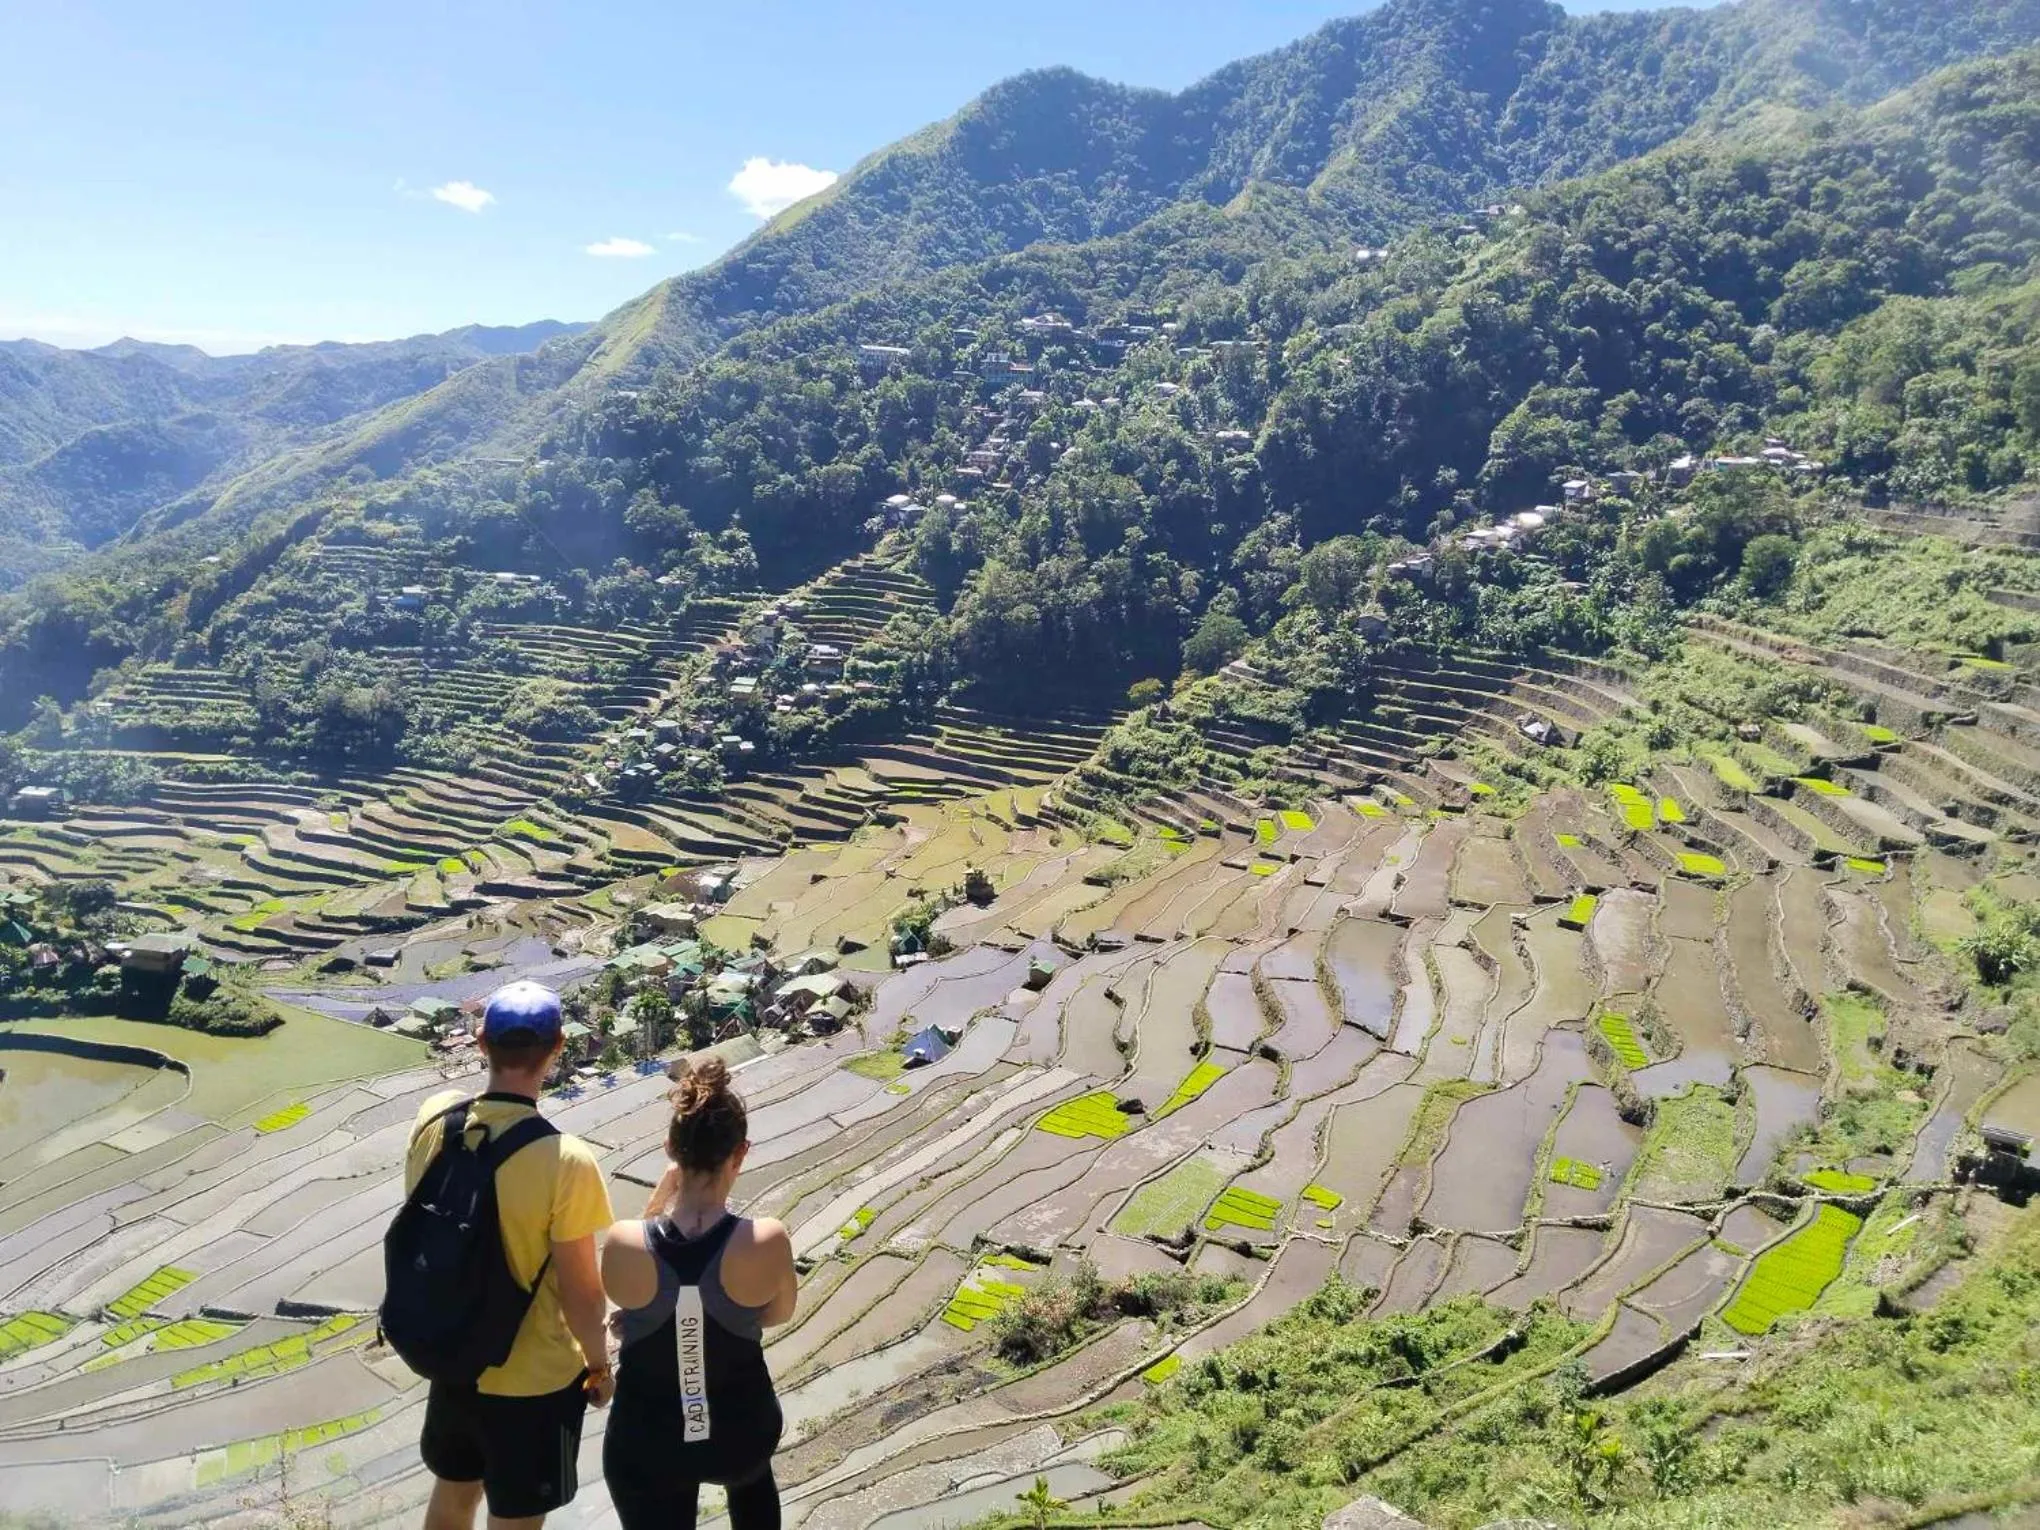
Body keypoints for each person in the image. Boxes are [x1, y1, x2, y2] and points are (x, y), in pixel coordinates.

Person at [405, 982, 616, 1530]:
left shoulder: (434, 1121)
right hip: (532, 1380)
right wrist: (598, 1365)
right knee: (517, 1519)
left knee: (452, 1496)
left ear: (480, 1043)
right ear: (559, 1046)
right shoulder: (566, 1160)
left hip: (453, 1360)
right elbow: (582, 1292)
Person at [599, 1055, 798, 1530]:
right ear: (741, 1153)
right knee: (752, 1483)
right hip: (741, 1434)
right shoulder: (767, 1238)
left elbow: (626, 1298)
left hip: (649, 1439)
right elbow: (777, 1315)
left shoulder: (625, 1241)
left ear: (671, 1149)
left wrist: (659, 1199)